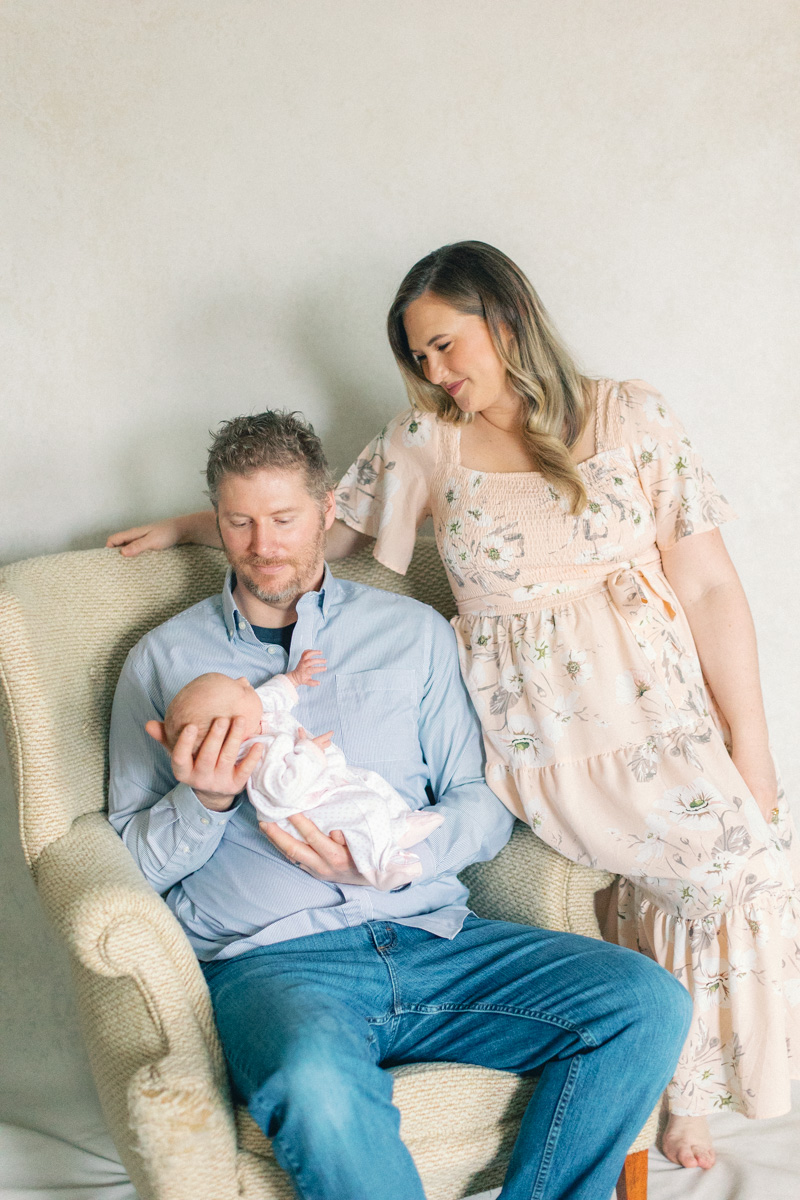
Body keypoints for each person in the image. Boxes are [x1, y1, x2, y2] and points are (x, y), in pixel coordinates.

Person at [105, 242, 799, 1171]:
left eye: (443, 345)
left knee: (707, 911)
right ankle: (683, 1100)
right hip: (364, 882)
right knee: (325, 1075)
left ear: (506, 320)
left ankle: (682, 1101)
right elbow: (326, 519)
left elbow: (708, 587)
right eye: (417, 356)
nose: (433, 371)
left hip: (600, 759)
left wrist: (749, 746)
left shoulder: (617, 425)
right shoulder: (172, 653)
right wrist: (199, 537)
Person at [108, 409, 691, 1200]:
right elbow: (126, 860)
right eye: (239, 522)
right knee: (313, 1082)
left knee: (644, 1002)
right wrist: (203, 801)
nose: (263, 544)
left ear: (324, 514)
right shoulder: (163, 660)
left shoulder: (410, 635)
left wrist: (402, 856)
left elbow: (480, 800)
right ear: (216, 521)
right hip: (275, 965)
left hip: (433, 936)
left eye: (283, 518)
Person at [156, 658, 443, 890]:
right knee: (365, 809)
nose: (246, 682)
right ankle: (381, 865)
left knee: (370, 781)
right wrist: (310, 753)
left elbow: (270, 696)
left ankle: (397, 825)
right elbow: (284, 790)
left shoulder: (256, 715)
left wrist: (292, 679)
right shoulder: (256, 754)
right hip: (310, 810)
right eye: (241, 689)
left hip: (327, 783)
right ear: (234, 727)